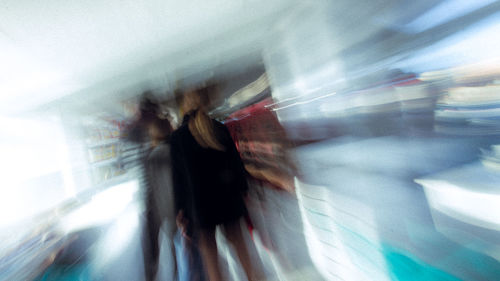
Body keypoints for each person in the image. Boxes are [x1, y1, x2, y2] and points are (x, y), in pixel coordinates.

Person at [170, 87, 262, 281]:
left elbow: (179, 181)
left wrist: (181, 211)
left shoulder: (177, 138)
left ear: (184, 107)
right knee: (241, 248)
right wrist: (243, 191)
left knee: (211, 259)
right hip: (228, 199)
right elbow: (236, 165)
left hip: (200, 207)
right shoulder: (219, 128)